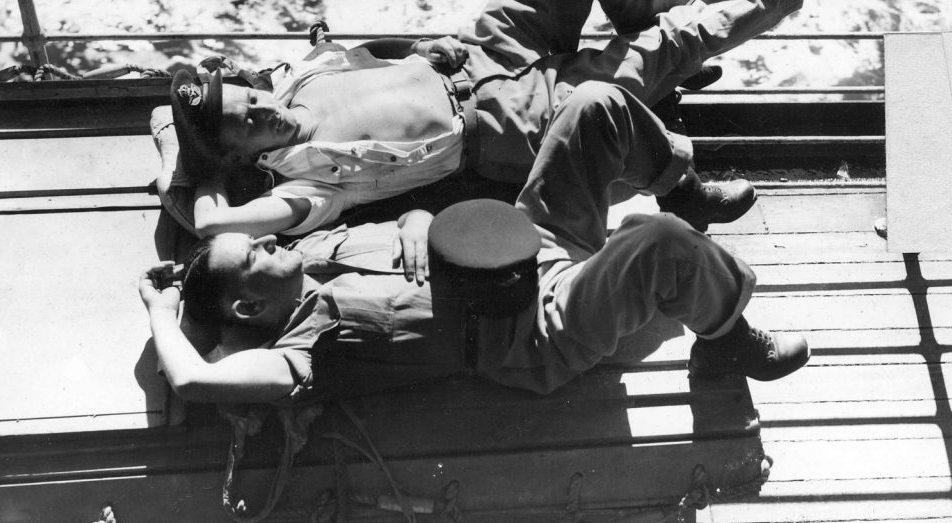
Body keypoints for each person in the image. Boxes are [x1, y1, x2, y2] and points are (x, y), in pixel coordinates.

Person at [160, 0, 892, 245]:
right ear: (240, 157)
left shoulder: (290, 79)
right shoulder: (306, 186)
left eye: (247, 96)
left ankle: (669, 66)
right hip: (506, 122)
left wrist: (427, 54)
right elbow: (210, 224)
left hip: (478, 47)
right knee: (679, 38)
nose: (261, 108)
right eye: (247, 125)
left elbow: (167, 111)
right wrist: (189, 171)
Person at [140, 77, 814, 405]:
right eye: (256, 255)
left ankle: (682, 187)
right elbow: (195, 380)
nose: (267, 244)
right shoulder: (304, 350)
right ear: (249, 307)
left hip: (531, 240)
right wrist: (161, 311)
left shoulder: (317, 250)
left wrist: (415, 221)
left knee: (594, 104)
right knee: (658, 242)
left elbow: (408, 217)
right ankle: (726, 342)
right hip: (540, 329)